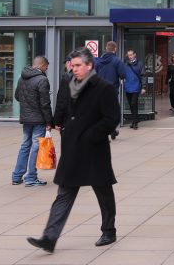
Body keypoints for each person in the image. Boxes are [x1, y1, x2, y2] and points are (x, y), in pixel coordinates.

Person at [27, 47, 121, 253]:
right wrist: (57, 123)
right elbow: (63, 105)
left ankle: (108, 230)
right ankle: (49, 238)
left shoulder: (103, 88)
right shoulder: (69, 83)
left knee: (103, 190)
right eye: (73, 65)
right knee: (64, 193)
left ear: (89, 66)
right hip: (73, 148)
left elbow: (112, 118)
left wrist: (91, 134)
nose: (74, 69)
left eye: (78, 65)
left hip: (94, 149)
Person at [12, 56, 53, 187]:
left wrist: (27, 105)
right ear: (41, 66)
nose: (47, 69)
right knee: (36, 146)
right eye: (46, 67)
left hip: (26, 118)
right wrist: (49, 121)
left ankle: (17, 176)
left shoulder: (21, 78)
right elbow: (45, 103)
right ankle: (31, 177)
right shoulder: (42, 80)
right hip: (38, 118)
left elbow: (17, 96)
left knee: (25, 145)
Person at [94, 41, 127, 140]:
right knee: (112, 112)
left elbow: (94, 74)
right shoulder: (117, 61)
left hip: (99, 89)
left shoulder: (98, 61)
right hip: (111, 90)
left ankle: (108, 131)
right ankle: (110, 131)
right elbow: (123, 75)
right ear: (115, 49)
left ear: (106, 48)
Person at [124, 49, 146, 129]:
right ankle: (134, 120)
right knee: (131, 105)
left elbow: (143, 75)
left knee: (134, 103)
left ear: (134, 55)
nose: (129, 56)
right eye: (128, 55)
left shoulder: (140, 64)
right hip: (128, 87)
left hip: (136, 87)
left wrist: (143, 87)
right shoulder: (126, 64)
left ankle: (135, 121)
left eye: (131, 55)